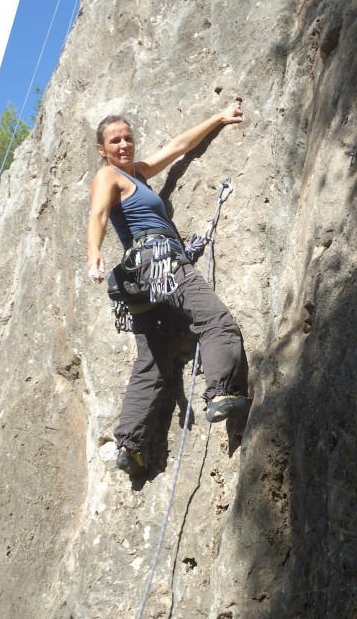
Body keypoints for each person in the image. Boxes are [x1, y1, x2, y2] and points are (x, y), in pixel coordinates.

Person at [87, 102, 252, 477]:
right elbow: (98, 213)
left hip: (140, 281)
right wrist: (93, 250)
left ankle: (131, 445)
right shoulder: (108, 176)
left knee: (153, 361)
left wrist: (217, 118)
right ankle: (221, 391)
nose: (124, 145)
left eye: (128, 138)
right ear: (102, 149)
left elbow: (178, 147)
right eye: (115, 141)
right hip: (157, 261)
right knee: (215, 320)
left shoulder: (138, 173)